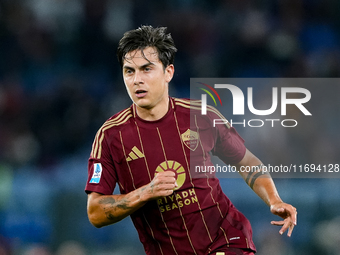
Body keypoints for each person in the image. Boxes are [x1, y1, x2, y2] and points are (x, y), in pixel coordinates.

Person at [85, 25, 297, 255]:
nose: (137, 80)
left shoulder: (202, 115)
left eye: (146, 69)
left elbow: (246, 162)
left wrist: (274, 200)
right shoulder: (110, 136)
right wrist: (146, 192)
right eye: (129, 71)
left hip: (225, 239)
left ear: (168, 72)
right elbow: (95, 213)